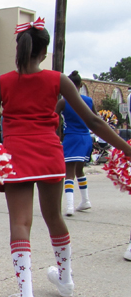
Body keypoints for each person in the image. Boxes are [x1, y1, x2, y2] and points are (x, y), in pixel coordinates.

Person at [0, 19, 131, 297]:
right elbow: (95, 122)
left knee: (20, 222)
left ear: (19, 49)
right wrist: (127, 149)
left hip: (16, 157)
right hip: (50, 155)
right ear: (43, 52)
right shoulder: (59, 80)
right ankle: (66, 280)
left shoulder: (1, 83)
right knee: (54, 216)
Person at [55, 70, 97, 216]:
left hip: (72, 137)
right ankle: (85, 200)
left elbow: (53, 119)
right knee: (80, 170)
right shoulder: (89, 101)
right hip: (86, 138)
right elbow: (95, 119)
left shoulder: (63, 102)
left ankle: (69, 206)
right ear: (80, 85)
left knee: (69, 172)